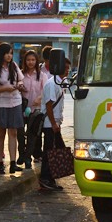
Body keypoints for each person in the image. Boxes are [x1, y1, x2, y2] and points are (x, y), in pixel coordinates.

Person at [0, 42, 25, 175]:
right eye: (7, 53)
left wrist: (18, 85)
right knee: (0, 133)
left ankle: (13, 163)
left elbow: (20, 80)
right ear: (1, 54)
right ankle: (0, 163)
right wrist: (5, 88)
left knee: (13, 132)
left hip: (15, 102)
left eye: (11, 53)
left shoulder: (14, 66)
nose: (9, 56)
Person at [38, 57, 70, 190]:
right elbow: (49, 105)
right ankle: (45, 178)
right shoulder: (52, 84)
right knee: (49, 152)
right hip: (49, 123)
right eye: (66, 68)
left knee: (53, 151)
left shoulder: (61, 82)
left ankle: (50, 178)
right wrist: (53, 123)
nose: (68, 71)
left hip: (55, 123)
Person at [17, 50, 48, 169]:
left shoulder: (42, 75)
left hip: (36, 110)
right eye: (28, 60)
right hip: (21, 108)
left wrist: (39, 99)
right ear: (25, 61)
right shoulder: (20, 74)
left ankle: (28, 158)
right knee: (19, 133)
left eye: (33, 60)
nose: (30, 62)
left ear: (36, 61)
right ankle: (21, 154)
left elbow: (45, 92)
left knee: (32, 134)